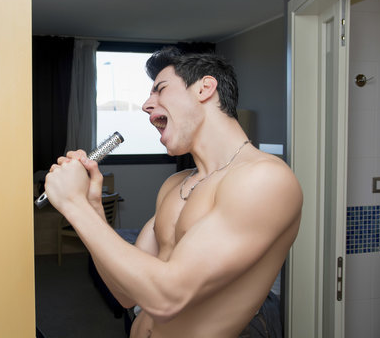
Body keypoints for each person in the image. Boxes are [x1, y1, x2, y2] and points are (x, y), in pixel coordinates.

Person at [44, 47, 302, 338]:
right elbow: (126, 295)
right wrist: (91, 206)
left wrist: (73, 204)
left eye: (160, 89)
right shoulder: (175, 183)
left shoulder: (264, 179)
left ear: (205, 88)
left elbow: (168, 298)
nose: (145, 105)